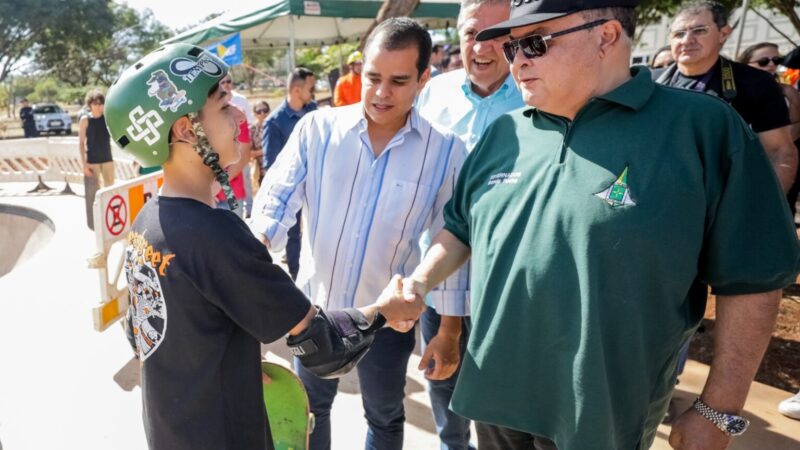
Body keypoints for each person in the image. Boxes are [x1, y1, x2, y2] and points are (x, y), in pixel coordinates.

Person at [386, 1, 800, 449]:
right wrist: (420, 281)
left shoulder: (700, 127)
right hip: (496, 395)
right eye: (512, 47)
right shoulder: (504, 133)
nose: (518, 59)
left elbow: (753, 279)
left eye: (535, 42)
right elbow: (460, 227)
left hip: (602, 412)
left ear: (606, 36)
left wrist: (720, 409)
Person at [104, 43, 424, 450]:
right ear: (186, 129)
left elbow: (144, 333)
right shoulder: (216, 234)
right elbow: (324, 348)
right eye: (223, 107)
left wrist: (225, 356)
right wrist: (385, 310)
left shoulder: (146, 223)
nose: (241, 115)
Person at [249, 18, 469, 450]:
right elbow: (276, 200)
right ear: (358, 72)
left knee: (385, 416)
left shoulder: (445, 151)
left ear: (424, 78)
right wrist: (254, 254)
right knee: (310, 412)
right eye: (373, 78)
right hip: (314, 314)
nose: (382, 93)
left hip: (388, 320)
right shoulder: (317, 130)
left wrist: (448, 330)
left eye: (399, 81)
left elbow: (452, 237)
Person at [415, 1, 524, 448]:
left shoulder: (538, 93)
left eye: (497, 33)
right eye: (470, 32)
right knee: (444, 389)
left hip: (509, 285)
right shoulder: (433, 94)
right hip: (439, 273)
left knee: (504, 408)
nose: (480, 46)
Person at [654, 1, 797, 193]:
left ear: (723, 33)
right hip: (662, 198)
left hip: (727, 199)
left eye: (699, 30)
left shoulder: (754, 82)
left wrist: (764, 210)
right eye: (679, 34)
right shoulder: (650, 84)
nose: (687, 40)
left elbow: (779, 152)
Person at [261, 67, 317, 280]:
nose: (313, 93)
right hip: (292, 191)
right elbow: (272, 164)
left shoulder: (314, 111)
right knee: (292, 235)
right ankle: (296, 281)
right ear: (296, 90)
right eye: (310, 89)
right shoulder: (274, 123)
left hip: (317, 186)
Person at [739, 42, 800, 217]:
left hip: (775, 163)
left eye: (777, 60)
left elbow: (795, 127)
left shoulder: (787, 91)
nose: (772, 65)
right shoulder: (731, 89)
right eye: (764, 61)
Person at [79, 90, 115, 188]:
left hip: (108, 159)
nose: (99, 106)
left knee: (110, 190)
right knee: (93, 191)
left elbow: (118, 135)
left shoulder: (108, 118)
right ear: (90, 104)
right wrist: (84, 164)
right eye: (95, 103)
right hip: (92, 161)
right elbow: (81, 143)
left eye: (101, 103)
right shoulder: (85, 120)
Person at [250, 100, 270, 186]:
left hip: (279, 169)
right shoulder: (251, 130)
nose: (262, 113)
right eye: (259, 111)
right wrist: (267, 150)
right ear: (254, 114)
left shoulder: (276, 126)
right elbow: (249, 153)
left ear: (269, 111)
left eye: (265, 110)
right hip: (262, 172)